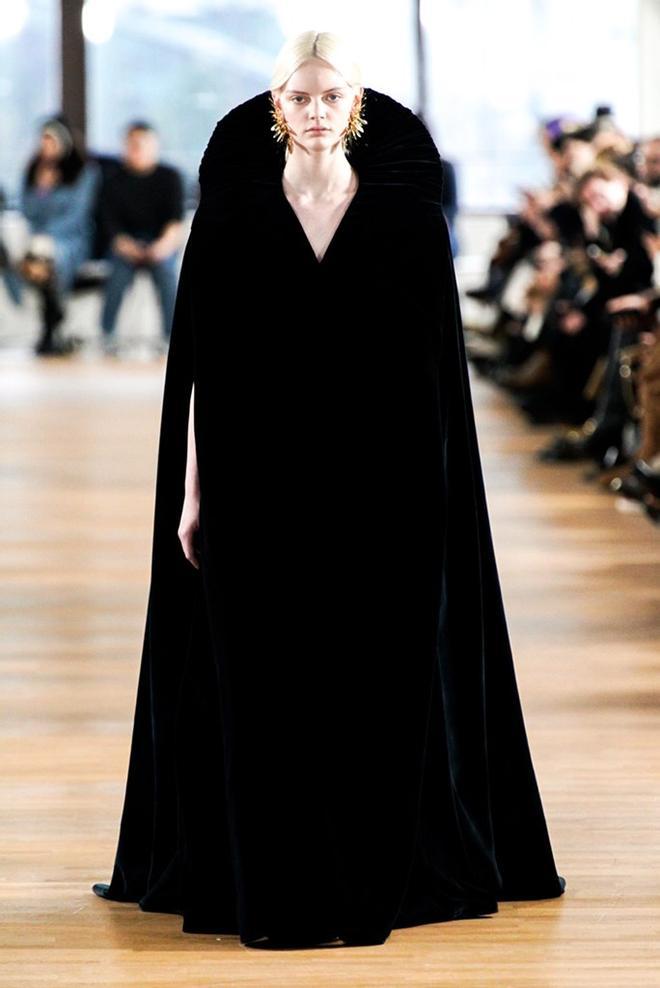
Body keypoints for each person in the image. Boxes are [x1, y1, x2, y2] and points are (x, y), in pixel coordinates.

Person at [91, 30, 566, 949]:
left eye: (331, 95)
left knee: (374, 670)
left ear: (356, 106)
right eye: (300, 96)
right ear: (278, 107)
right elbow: (202, 372)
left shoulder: (409, 221)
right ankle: (272, 866)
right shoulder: (232, 216)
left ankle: (380, 861)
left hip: (386, 480)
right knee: (265, 671)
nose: (316, 111)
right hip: (255, 475)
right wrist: (191, 493)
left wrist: (444, 495)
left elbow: (438, 378)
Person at [98, 121, 185, 355]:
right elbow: (110, 227)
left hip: (160, 245)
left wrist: (161, 248)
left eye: (142, 144)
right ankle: (106, 335)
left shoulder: (170, 177)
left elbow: (175, 223)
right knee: (117, 275)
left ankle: (171, 336)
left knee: (167, 273)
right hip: (126, 246)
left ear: (154, 146)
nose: (136, 150)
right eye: (132, 144)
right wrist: (127, 247)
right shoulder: (113, 181)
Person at [18, 114, 99, 354]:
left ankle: (50, 327)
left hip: (72, 239)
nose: (46, 147)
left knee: (45, 260)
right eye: (43, 141)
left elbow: (77, 215)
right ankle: (54, 322)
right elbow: (28, 211)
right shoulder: (33, 171)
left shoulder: (84, 171)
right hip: (38, 241)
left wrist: (48, 237)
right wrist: (41, 189)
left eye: (51, 141)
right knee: (38, 262)